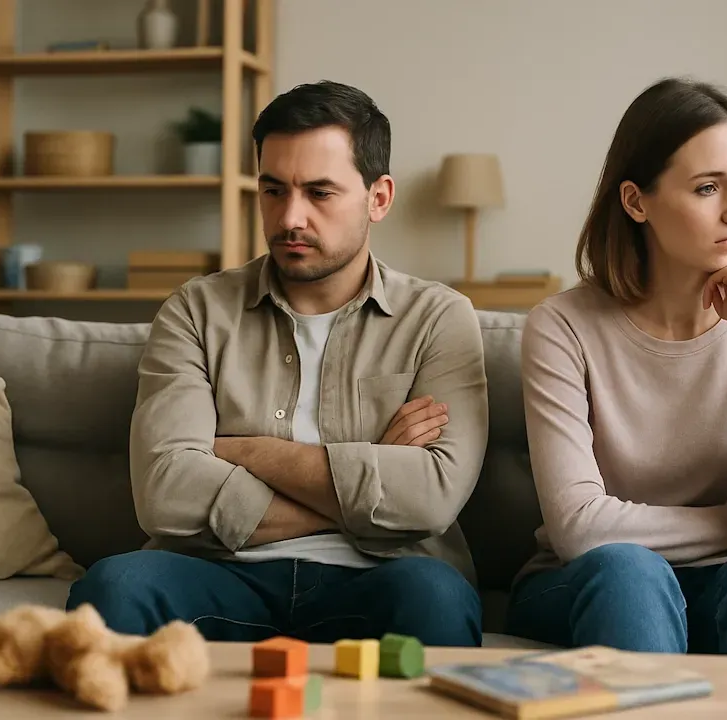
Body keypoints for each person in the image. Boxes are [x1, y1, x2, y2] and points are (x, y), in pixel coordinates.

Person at [66, 80, 490, 647]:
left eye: (320, 192)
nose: (290, 217)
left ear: (379, 197)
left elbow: (431, 497)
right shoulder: (196, 310)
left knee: (436, 596)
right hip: (221, 571)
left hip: (382, 575)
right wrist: (370, 473)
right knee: (114, 586)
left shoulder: (437, 318)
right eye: (273, 190)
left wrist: (246, 451)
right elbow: (165, 494)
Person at [505, 77, 727, 668]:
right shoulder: (562, 327)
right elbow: (579, 529)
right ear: (636, 202)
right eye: (708, 187)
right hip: (593, 584)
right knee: (632, 570)